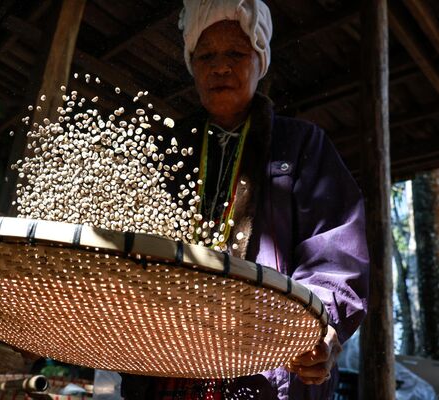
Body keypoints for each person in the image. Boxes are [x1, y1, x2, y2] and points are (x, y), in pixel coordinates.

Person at [120, 0, 369, 398]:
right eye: (207, 56)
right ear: (193, 66)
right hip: (170, 367)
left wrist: (321, 329)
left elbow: (336, 254)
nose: (220, 66)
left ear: (260, 60)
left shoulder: (302, 145)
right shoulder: (167, 153)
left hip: (264, 370)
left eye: (235, 53)